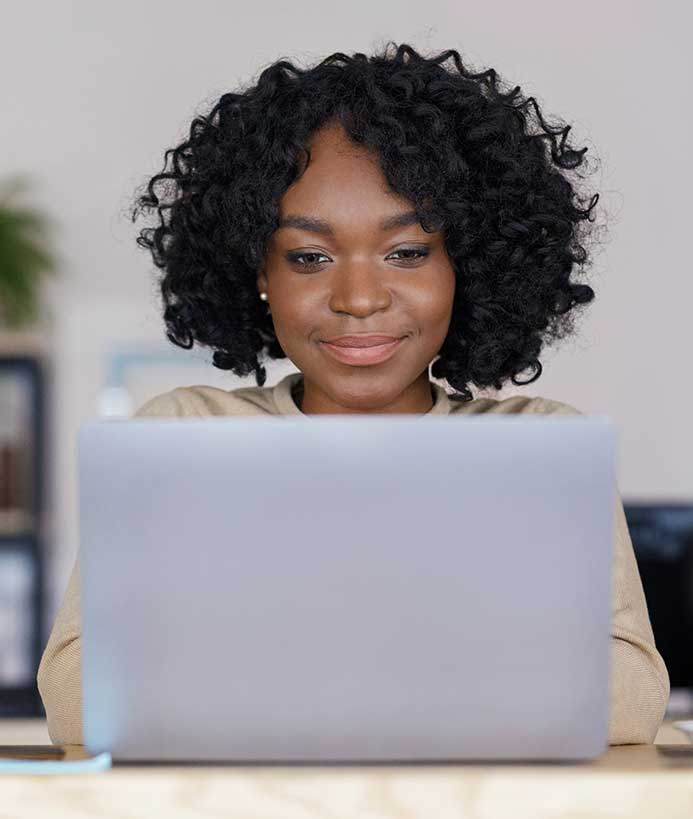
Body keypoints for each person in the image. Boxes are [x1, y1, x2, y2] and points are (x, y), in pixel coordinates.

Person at [37, 42, 669, 747]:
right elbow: (80, 695)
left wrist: (244, 657)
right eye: (309, 257)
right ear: (259, 272)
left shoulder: (542, 444)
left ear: (466, 264)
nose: (360, 298)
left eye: (406, 251)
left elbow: (627, 699)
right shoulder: (184, 433)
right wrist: (472, 660)